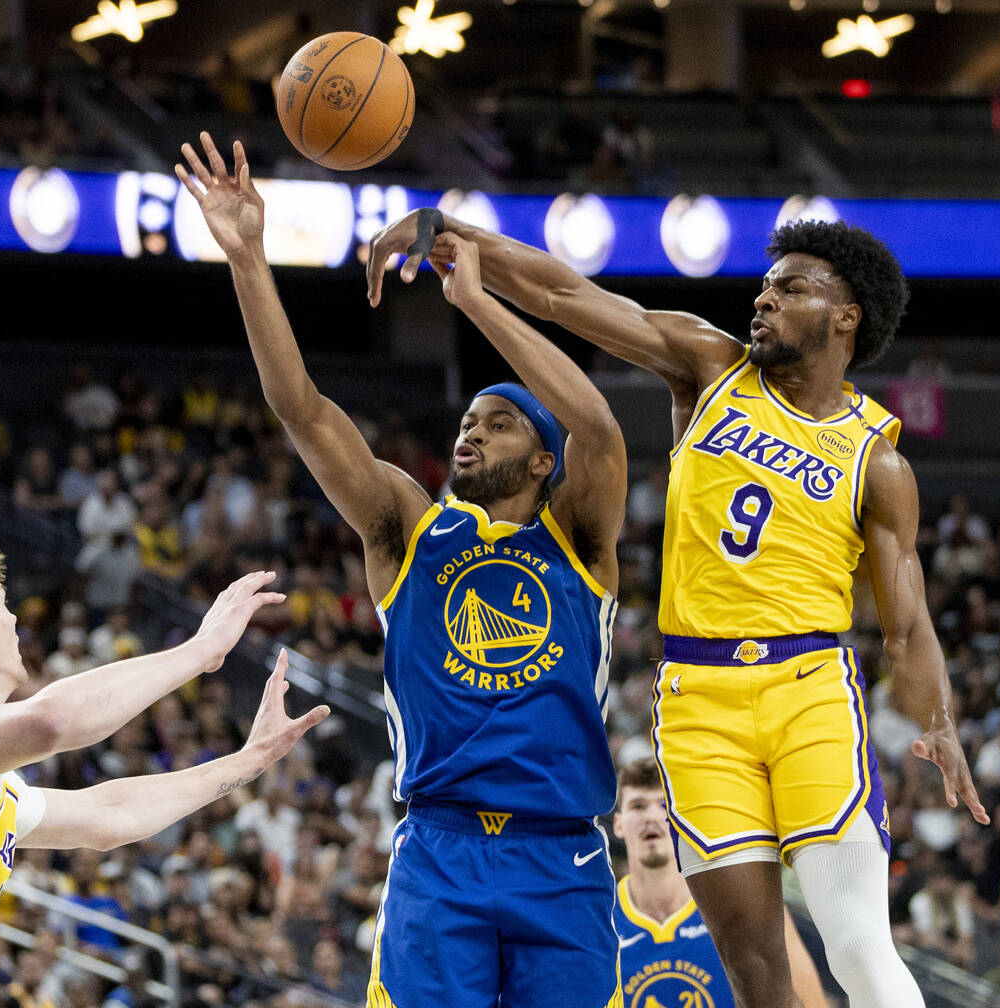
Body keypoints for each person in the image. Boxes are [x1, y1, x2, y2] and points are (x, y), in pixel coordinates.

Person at [367, 210, 989, 1007]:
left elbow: (906, 627)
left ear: (845, 316)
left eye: (790, 287)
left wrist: (938, 721)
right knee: (756, 969)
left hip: (811, 688)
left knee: (858, 943)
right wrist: (457, 235)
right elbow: (564, 293)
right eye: (764, 285)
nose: (762, 300)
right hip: (698, 701)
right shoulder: (709, 366)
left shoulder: (879, 459)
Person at [176, 132, 629, 1008]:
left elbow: (600, 429)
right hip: (440, 850)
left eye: (498, 423)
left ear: (542, 462)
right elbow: (302, 412)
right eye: (467, 419)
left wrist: (481, 303)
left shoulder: (579, 535)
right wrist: (247, 260)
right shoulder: (406, 527)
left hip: (565, 852)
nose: (471, 431)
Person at [0, 532, 328, 1008]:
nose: (16, 619)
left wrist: (250, 759)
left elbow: (111, 814)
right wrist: (202, 650)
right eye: (2, 604)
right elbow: (53, 720)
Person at [613, 756, 829, 1008]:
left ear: (682, 819)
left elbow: (813, 1002)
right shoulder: (599, 916)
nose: (651, 816)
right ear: (618, 824)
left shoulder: (743, 903)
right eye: (638, 806)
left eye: (664, 805)